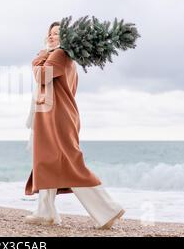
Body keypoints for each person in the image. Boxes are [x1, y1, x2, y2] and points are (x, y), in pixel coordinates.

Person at [24, 21, 125, 229]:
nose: (52, 37)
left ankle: (108, 209)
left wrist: (39, 58)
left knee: (70, 165)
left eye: (57, 34)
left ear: (68, 37)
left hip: (57, 116)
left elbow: (42, 76)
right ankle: (46, 212)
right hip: (50, 114)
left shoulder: (60, 54)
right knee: (47, 161)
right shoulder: (60, 55)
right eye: (50, 33)